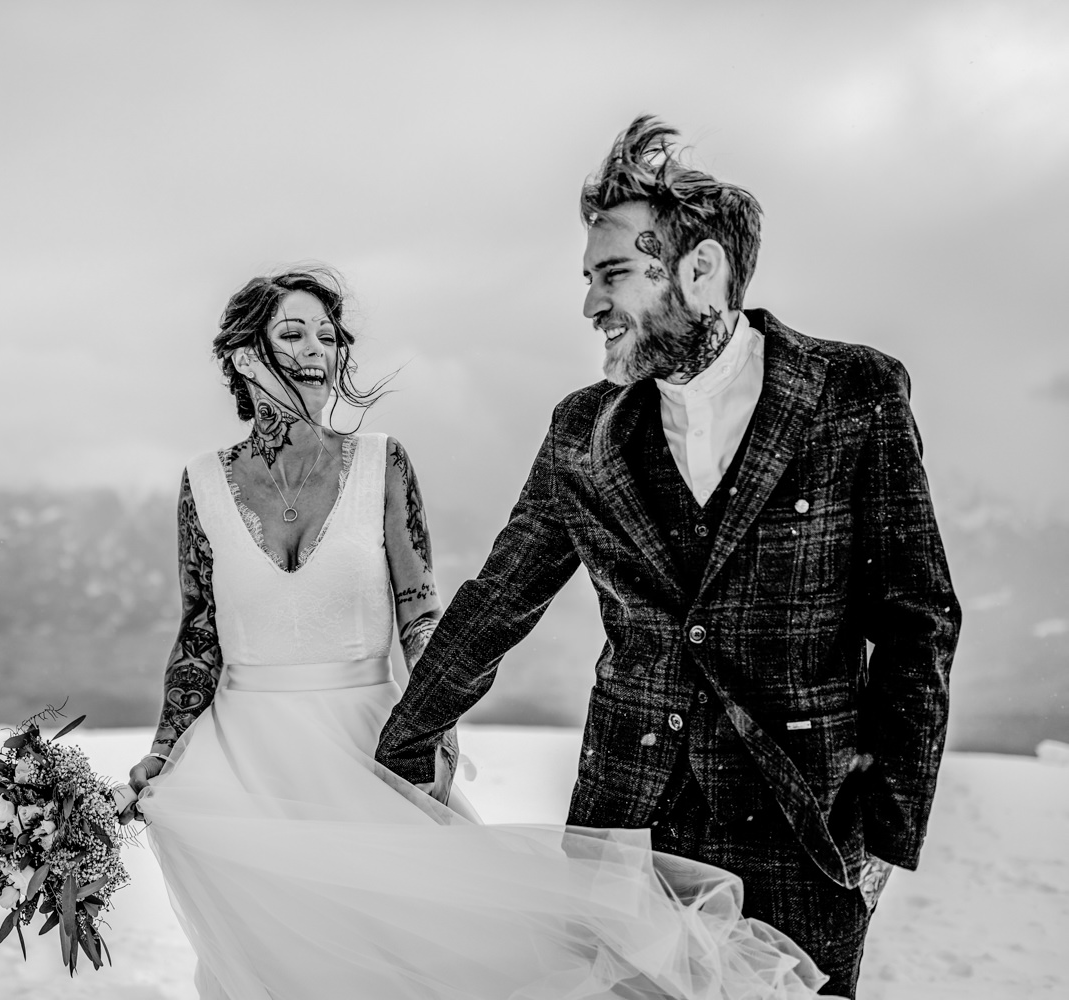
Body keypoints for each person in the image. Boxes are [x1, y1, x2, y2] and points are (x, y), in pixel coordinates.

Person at [376, 116, 962, 998]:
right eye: (588, 278)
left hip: (804, 844)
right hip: (623, 838)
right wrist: (401, 745)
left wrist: (884, 839)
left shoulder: (854, 395)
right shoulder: (581, 431)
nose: (589, 305)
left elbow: (918, 624)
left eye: (612, 274)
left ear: (701, 269)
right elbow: (501, 597)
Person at [124, 266, 827, 998]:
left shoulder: (381, 464)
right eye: (292, 334)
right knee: (269, 967)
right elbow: (200, 633)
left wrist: (437, 731)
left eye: (327, 337)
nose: (315, 352)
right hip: (238, 769)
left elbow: (420, 613)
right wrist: (166, 748)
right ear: (244, 357)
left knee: (416, 957)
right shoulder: (202, 482)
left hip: (367, 747)